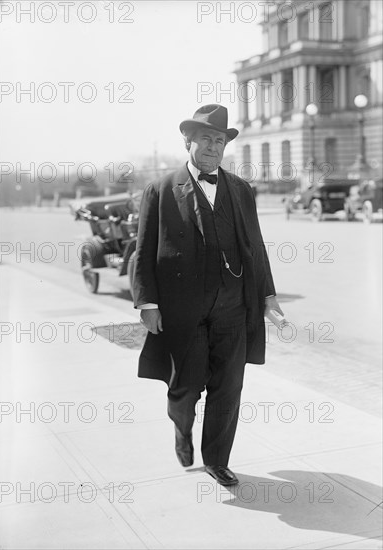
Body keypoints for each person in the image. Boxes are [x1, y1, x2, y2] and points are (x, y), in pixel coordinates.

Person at [133, 104, 282, 486]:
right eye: (206, 138)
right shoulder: (161, 189)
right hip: (184, 311)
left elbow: (256, 247)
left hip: (233, 309)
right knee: (184, 389)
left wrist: (268, 297)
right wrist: (148, 304)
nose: (214, 146)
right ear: (188, 141)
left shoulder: (241, 190)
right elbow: (144, 250)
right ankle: (182, 427)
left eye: (219, 139)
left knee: (228, 388)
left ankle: (217, 459)